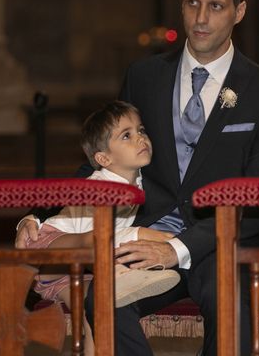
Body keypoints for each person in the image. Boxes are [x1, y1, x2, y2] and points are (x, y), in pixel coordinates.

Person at [17, 0, 259, 355]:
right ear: (181, 4)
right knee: (101, 299)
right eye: (192, 2)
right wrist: (39, 217)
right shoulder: (144, 77)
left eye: (215, 6)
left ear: (239, 11)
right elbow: (104, 159)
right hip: (143, 234)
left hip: (226, 243)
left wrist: (178, 248)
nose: (201, 17)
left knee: (227, 299)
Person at [24, 100, 180, 354]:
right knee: (103, 241)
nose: (140, 138)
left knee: (96, 309)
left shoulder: (139, 182)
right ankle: (120, 274)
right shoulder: (97, 187)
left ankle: (118, 279)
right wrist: (144, 235)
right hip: (50, 250)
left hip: (82, 272)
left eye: (141, 130)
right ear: (103, 158)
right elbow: (93, 238)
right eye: (127, 135)